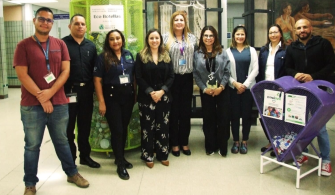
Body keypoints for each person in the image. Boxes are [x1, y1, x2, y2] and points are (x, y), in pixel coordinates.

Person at [13, 7, 89, 195]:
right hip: (32, 106)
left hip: (59, 103)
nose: (45, 22)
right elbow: (22, 75)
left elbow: (65, 71)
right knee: (32, 146)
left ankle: (72, 173)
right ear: (34, 21)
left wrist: (51, 93)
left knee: (62, 140)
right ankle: (30, 183)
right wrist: (42, 96)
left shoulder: (59, 44)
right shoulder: (23, 45)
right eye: (42, 19)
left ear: (52, 23)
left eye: (49, 20)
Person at [285, 19, 335, 176]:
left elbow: (331, 66)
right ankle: (302, 153)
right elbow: (287, 67)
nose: (302, 30)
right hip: (300, 92)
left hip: (319, 92)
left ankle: (326, 160)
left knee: (320, 128)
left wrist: (313, 76)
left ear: (311, 28)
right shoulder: (292, 47)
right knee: (300, 125)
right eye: (298, 28)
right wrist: (295, 74)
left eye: (305, 27)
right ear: (295, 30)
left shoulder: (323, 44)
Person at [93, 29, 136, 180]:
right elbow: (97, 80)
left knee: (123, 128)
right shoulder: (102, 57)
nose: (115, 41)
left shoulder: (128, 54)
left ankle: (120, 157)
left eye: (118, 38)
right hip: (111, 99)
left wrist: (135, 95)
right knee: (117, 130)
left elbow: (133, 75)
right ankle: (120, 166)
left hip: (128, 98)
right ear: (108, 42)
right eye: (112, 39)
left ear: (122, 40)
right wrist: (102, 102)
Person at [62, 14, 100, 168]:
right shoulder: (62, 44)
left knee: (85, 126)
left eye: (82, 24)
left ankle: (85, 156)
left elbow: (95, 71)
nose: (79, 26)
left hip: (86, 93)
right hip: (68, 92)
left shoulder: (91, 46)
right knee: (69, 128)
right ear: (70, 26)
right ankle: (70, 158)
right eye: (76, 23)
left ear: (86, 27)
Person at [135, 29, 174, 168]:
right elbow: (138, 77)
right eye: (151, 38)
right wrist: (151, 92)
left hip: (163, 97)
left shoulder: (166, 55)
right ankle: (148, 155)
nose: (154, 41)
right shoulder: (140, 56)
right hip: (147, 98)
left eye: (157, 38)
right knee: (147, 127)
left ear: (160, 40)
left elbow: (171, 76)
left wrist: (162, 91)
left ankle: (162, 154)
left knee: (163, 126)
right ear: (147, 40)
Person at [163, 11, 197, 157]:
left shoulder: (192, 38)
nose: (178, 22)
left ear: (185, 22)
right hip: (172, 79)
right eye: (176, 20)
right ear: (172, 22)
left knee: (185, 113)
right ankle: (174, 143)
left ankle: (184, 142)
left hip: (187, 78)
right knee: (174, 112)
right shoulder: (165, 38)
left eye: (181, 20)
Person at [193, 26, 231, 156]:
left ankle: (222, 146)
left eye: (211, 35)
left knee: (223, 118)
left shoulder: (222, 52)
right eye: (206, 35)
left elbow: (227, 71)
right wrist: (204, 89)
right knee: (208, 119)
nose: (208, 38)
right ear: (202, 37)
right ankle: (210, 146)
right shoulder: (197, 53)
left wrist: (221, 87)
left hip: (222, 90)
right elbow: (196, 74)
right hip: (206, 91)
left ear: (215, 37)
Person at [226, 25, 258, 155]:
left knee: (246, 116)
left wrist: (244, 85)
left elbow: (256, 70)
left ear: (245, 36)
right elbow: (225, 71)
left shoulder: (251, 50)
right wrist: (235, 83)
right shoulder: (228, 51)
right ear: (234, 36)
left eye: (242, 34)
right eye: (237, 34)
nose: (240, 37)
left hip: (247, 89)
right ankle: (235, 141)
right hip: (233, 89)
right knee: (234, 116)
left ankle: (244, 141)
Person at [256, 24, 287, 157]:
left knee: (279, 117)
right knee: (265, 116)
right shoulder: (263, 50)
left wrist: (284, 85)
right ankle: (271, 140)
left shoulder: (286, 50)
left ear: (280, 34)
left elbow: (288, 70)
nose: (273, 35)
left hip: (280, 88)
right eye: (270, 33)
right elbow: (259, 70)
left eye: (275, 32)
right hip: (265, 88)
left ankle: (279, 143)